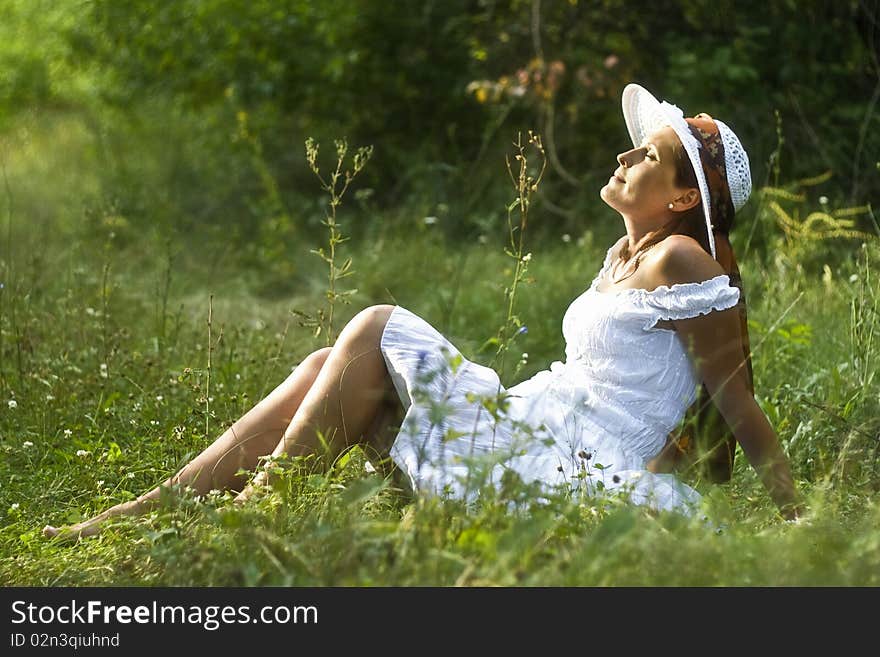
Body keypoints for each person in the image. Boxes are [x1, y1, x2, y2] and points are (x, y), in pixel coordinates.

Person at [42, 83, 802, 542]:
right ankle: (149, 507)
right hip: (541, 422)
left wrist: (797, 521)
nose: (623, 158)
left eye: (646, 157)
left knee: (376, 327)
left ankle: (258, 504)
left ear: (681, 198)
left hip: (579, 460)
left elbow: (738, 402)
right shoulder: (623, 257)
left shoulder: (684, 263)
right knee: (324, 368)